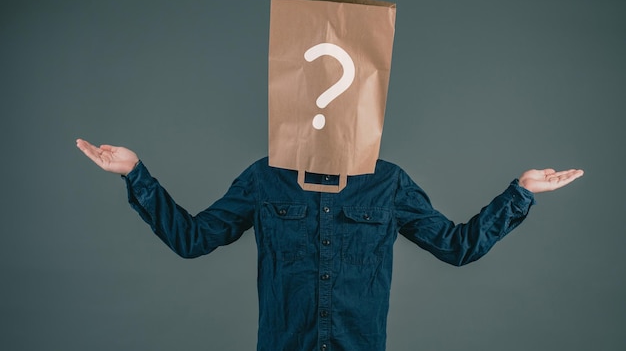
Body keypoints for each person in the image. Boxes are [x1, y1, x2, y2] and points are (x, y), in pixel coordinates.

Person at [76, 138, 583, 351]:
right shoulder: (265, 178)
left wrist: (520, 194)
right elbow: (193, 239)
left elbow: (456, 245)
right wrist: (135, 174)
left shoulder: (387, 183)